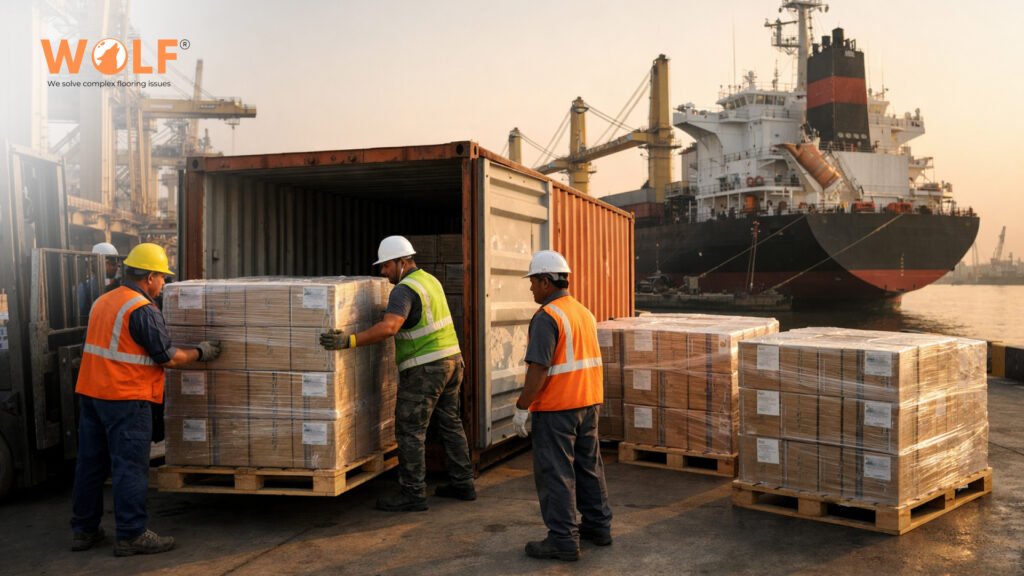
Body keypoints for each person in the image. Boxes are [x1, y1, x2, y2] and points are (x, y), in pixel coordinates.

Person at [70, 243, 221, 556]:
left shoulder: (103, 300)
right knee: (129, 466)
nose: (164, 283)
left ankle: (84, 530)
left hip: (91, 395)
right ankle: (131, 533)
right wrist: (201, 352)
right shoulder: (141, 309)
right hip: (125, 397)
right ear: (149, 276)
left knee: (90, 465)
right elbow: (167, 357)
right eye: (162, 277)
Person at [320, 235, 475, 512]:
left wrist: (350, 340)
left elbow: (390, 327)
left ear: (402, 262)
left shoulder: (404, 290)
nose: (383, 272)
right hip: (452, 362)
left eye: (386, 266)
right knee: (450, 424)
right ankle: (463, 482)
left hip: (425, 369)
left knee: (410, 431)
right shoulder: (430, 281)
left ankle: (413, 493)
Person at [513, 250, 612, 562]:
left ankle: (563, 539)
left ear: (546, 281)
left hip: (558, 407)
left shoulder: (547, 317)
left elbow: (538, 370)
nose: (530, 288)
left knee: (556, 473)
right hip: (589, 400)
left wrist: (521, 406)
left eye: (533, 282)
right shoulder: (583, 312)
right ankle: (598, 527)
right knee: (588, 467)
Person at [78, 242, 121, 321]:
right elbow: (82, 317)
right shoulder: (85, 288)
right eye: (108, 263)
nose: (113, 267)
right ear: (94, 264)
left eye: (115, 263)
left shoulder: (121, 285)